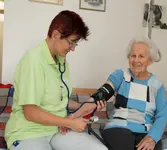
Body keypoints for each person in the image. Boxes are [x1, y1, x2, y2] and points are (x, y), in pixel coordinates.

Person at [5, 10, 108, 150]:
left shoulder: (61, 61)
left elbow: (57, 100)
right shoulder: (33, 60)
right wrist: (68, 122)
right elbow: (30, 112)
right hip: (28, 133)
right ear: (55, 35)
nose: (73, 49)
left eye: (75, 44)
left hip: (56, 130)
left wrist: (85, 105)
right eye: (71, 43)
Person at [90, 37, 167, 150]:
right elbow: (100, 95)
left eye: (141, 56)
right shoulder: (120, 75)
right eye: (133, 55)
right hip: (119, 127)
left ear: (150, 60)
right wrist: (76, 114)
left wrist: (152, 137)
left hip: (145, 131)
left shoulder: (157, 85)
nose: (136, 60)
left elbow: (162, 115)